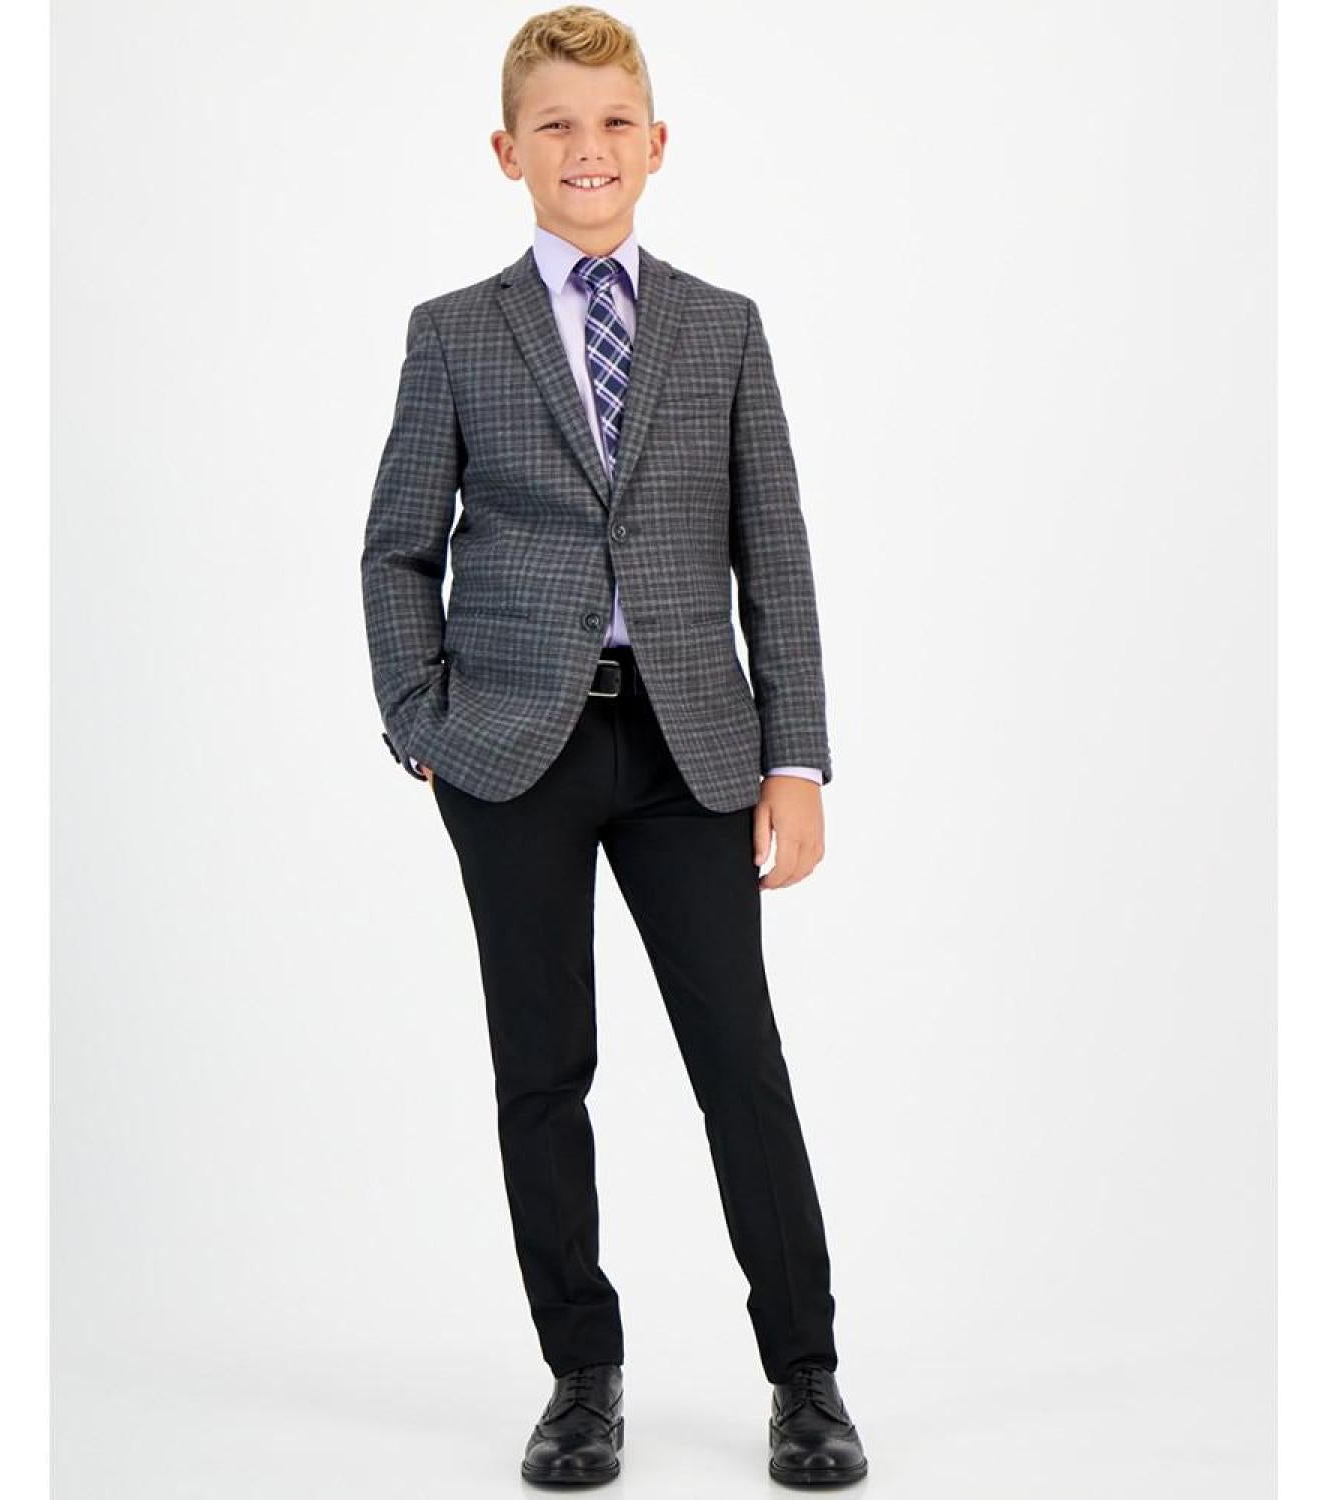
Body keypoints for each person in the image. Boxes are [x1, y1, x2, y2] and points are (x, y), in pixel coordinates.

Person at [360, 5, 868, 1486]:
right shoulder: (455, 333)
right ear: (508, 151)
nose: (588, 150)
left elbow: (776, 558)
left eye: (613, 124)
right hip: (511, 751)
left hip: (692, 749)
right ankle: (581, 1376)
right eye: (558, 127)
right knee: (543, 1068)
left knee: (740, 1063)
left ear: (656, 145)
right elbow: (398, 549)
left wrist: (796, 761)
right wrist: (422, 723)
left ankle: (808, 1375)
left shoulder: (723, 327)